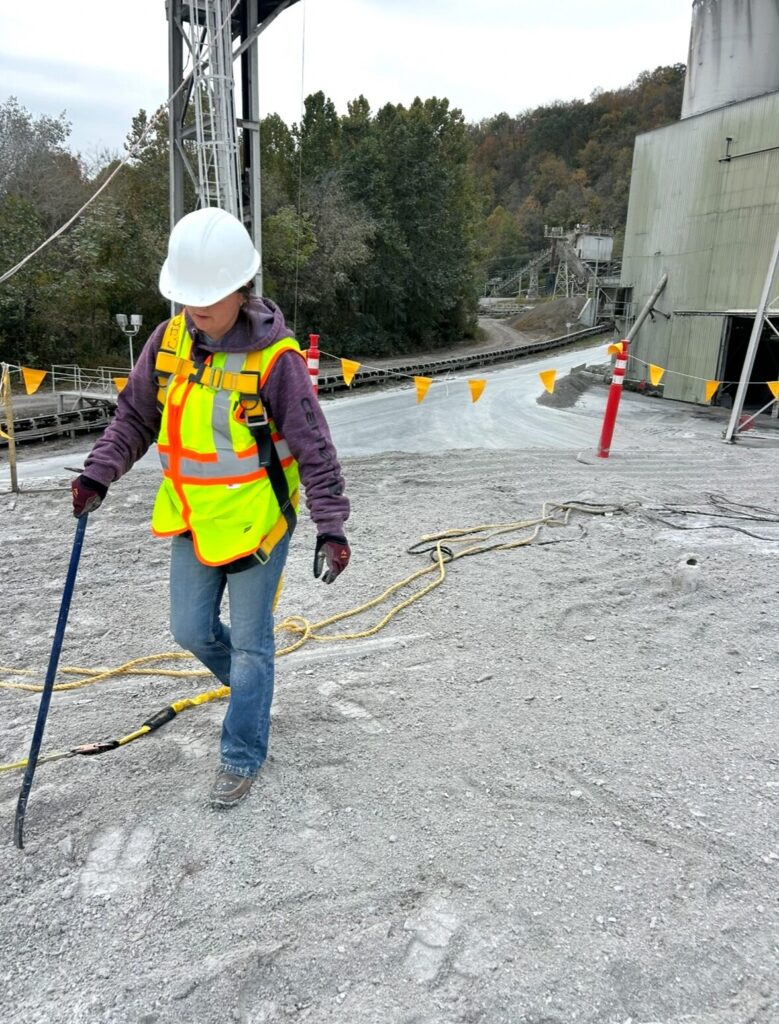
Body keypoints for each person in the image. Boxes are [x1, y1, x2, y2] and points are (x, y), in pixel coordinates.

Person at [71, 207, 350, 808]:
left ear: (240, 288)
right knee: (190, 629)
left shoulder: (277, 361)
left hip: (257, 524)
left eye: (209, 295)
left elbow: (314, 446)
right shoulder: (168, 343)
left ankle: (241, 751)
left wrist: (331, 527)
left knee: (252, 645)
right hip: (194, 518)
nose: (195, 308)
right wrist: (100, 472)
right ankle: (253, 692)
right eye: (187, 295)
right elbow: (135, 417)